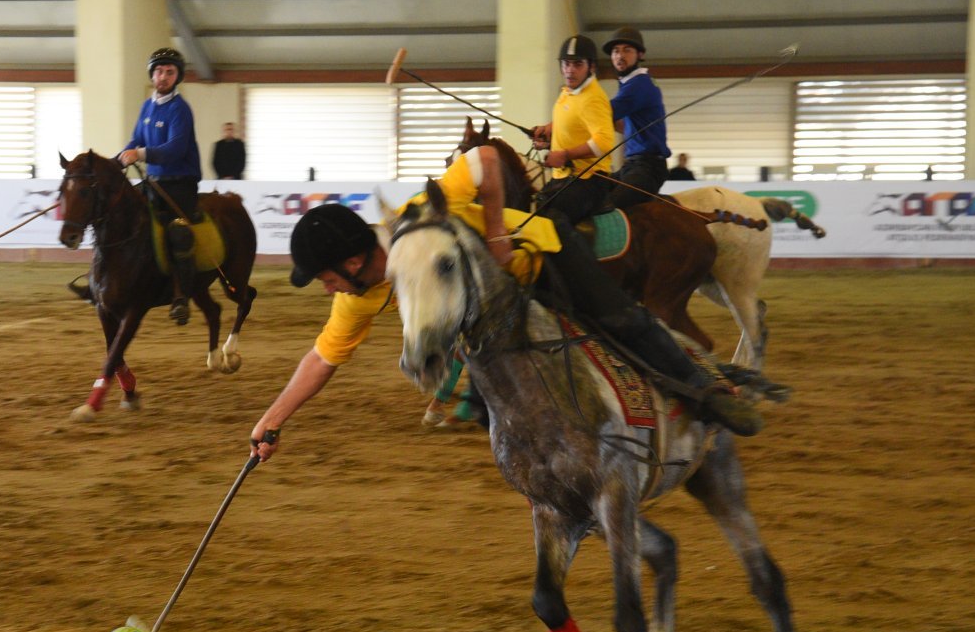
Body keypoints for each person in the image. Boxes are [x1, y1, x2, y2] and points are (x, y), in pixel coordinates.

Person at [247, 143, 763, 462]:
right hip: (504, 312)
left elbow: (487, 158)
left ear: (353, 263)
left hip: (544, 256)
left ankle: (708, 394)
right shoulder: (360, 296)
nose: (326, 290)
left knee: (619, 319)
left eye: (324, 278)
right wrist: (271, 419)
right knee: (439, 368)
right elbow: (321, 358)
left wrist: (495, 232)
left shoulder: (421, 214)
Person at [120, 47, 202, 325]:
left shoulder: (181, 109)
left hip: (180, 183)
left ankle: (181, 297)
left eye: (169, 72)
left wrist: (140, 154)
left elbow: (175, 149)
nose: (163, 76)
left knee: (178, 234)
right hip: (153, 181)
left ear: (177, 76)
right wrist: (116, 160)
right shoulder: (147, 106)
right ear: (152, 74)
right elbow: (134, 140)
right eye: (159, 71)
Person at [529, 35, 618, 227]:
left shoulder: (593, 99)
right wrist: (547, 130)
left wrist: (564, 154)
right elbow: (568, 120)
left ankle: (582, 258)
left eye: (577, 64)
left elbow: (604, 143)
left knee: (552, 219)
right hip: (564, 176)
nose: (570, 70)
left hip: (589, 179)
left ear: (591, 67)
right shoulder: (568, 91)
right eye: (566, 64)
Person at [601, 26, 671, 209]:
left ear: (640, 54)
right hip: (631, 165)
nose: (619, 55)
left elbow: (601, 114)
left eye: (627, 50)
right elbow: (623, 125)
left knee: (608, 207)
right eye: (616, 51)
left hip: (647, 168)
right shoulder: (630, 83)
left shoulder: (638, 84)